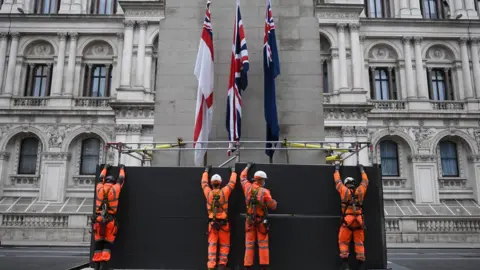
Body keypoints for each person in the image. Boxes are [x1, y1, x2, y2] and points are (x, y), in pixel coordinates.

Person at [241, 162, 277, 270]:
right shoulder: (264, 192)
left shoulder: (247, 187)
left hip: (249, 221)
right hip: (260, 221)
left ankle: (248, 266)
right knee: (263, 245)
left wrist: (247, 167)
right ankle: (264, 266)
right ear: (260, 180)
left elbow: (242, 177)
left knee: (249, 244)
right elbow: (273, 206)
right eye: (264, 179)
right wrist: (273, 202)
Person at [333, 162, 369, 270]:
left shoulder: (344, 191)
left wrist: (336, 169)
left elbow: (337, 181)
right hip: (358, 221)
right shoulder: (360, 191)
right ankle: (361, 264)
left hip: (347, 221)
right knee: (359, 243)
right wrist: (362, 170)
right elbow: (365, 182)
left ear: (346, 183)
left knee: (343, 242)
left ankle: (345, 264)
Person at [202, 165, 237, 270]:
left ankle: (211, 266)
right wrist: (233, 171)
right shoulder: (224, 192)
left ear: (212, 183)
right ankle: (222, 265)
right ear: (220, 183)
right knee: (224, 245)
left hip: (212, 224)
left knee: (212, 245)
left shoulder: (208, 193)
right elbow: (232, 183)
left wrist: (206, 171)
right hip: (223, 224)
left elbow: (203, 183)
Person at [91, 164, 126, 270]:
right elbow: (121, 179)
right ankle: (103, 266)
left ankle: (96, 266)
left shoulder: (99, 188)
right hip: (110, 221)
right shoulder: (115, 189)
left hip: (98, 220)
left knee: (98, 243)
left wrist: (105, 168)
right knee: (107, 243)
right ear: (112, 182)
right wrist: (122, 169)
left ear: (105, 181)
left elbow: (100, 178)